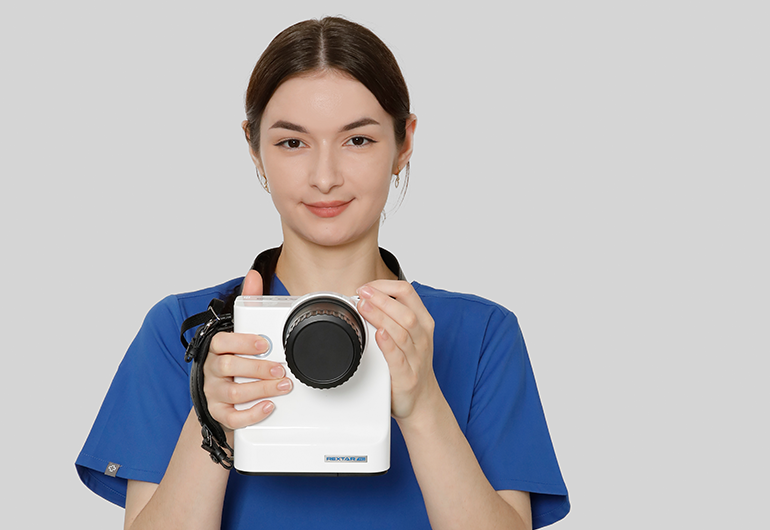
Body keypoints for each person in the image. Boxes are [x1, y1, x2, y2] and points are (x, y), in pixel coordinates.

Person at [76, 16, 570, 530]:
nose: (325, 177)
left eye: (358, 140)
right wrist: (212, 421)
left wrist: (424, 406)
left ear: (403, 143)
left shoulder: (481, 335)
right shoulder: (187, 332)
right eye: (293, 143)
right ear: (254, 148)